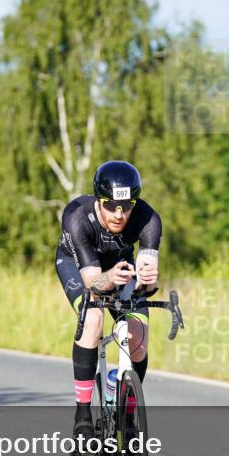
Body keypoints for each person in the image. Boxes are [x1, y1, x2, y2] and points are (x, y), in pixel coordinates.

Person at [55, 161, 161, 440]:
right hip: (80, 266)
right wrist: (111, 278)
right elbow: (94, 285)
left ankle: (126, 411)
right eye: (110, 205)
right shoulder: (77, 217)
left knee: (137, 337)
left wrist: (148, 281)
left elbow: (148, 288)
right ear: (98, 200)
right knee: (94, 318)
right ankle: (82, 415)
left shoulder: (149, 220)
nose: (119, 214)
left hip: (119, 265)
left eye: (126, 206)